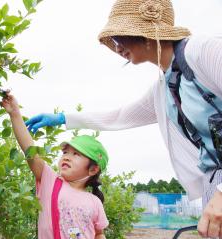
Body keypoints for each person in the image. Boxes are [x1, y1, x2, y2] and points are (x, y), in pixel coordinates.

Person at [25, 0, 222, 238]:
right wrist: (64, 118)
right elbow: (120, 116)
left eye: (120, 37)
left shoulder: (203, 51)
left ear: (145, 33)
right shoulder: (164, 88)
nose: (117, 47)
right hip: (214, 179)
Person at [1, 92, 109, 239]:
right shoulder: (51, 181)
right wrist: (15, 113)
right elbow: (29, 149)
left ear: (93, 169)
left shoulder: (94, 202)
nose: (67, 157)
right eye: (65, 152)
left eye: (76, 154)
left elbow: (99, 234)